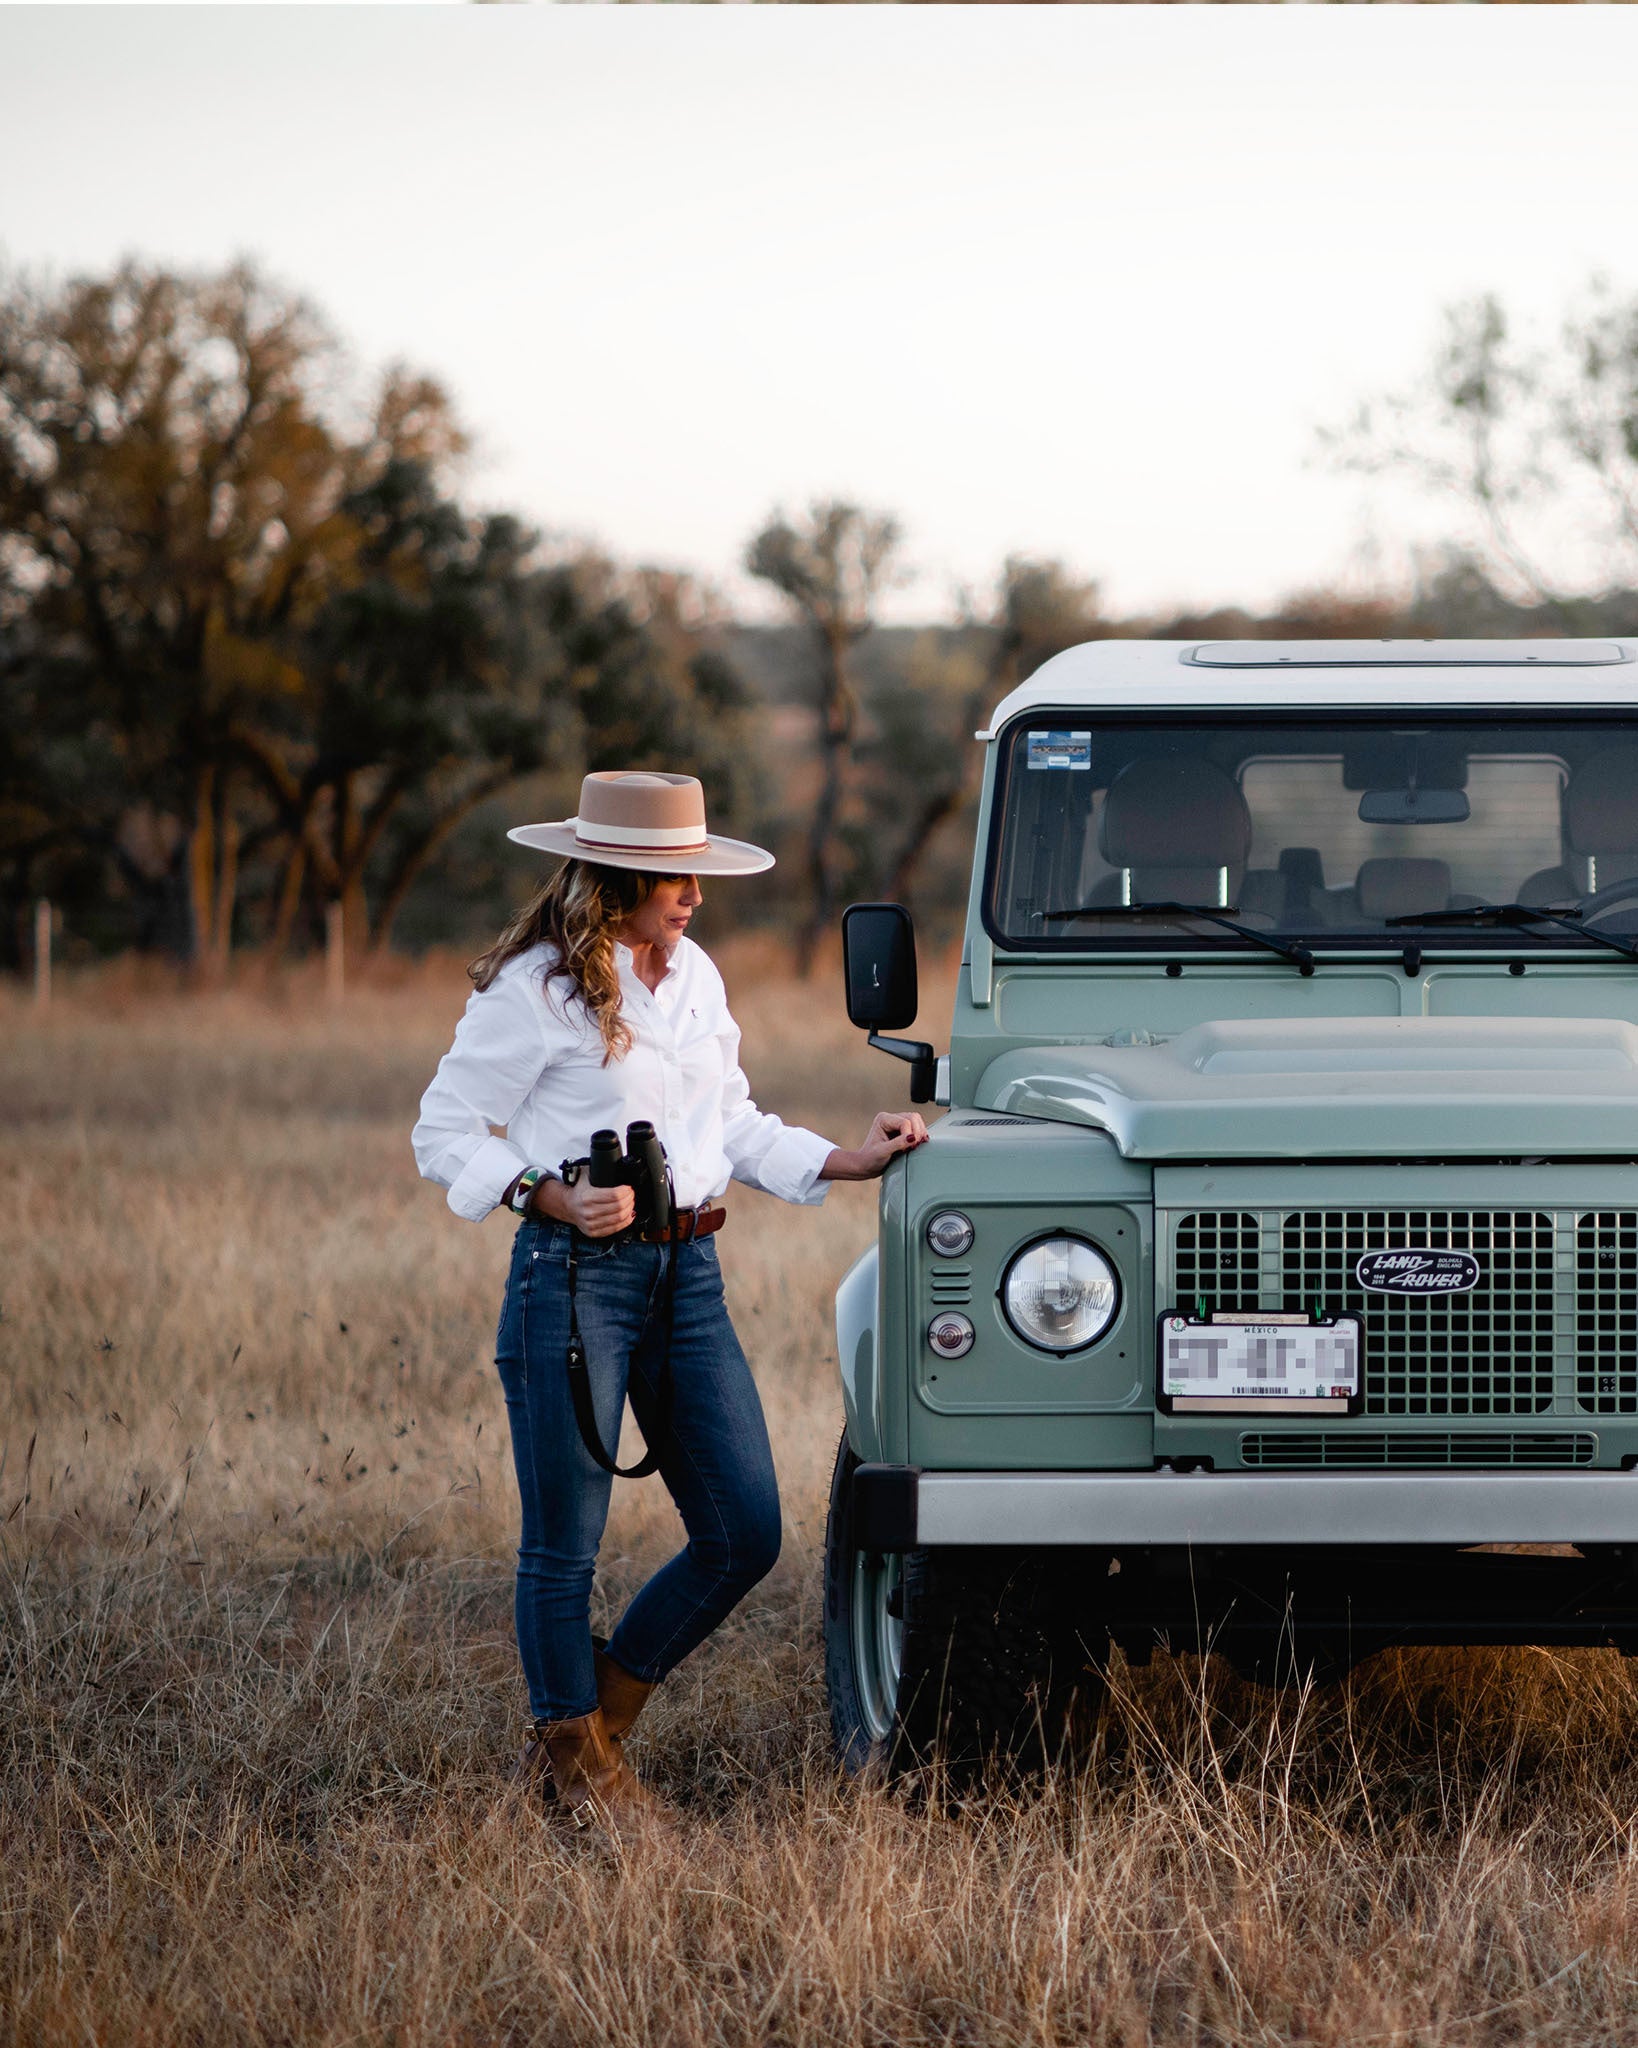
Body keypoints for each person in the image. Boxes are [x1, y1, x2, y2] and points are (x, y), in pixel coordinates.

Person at [412, 770, 927, 1830]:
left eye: (697, 873)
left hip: (688, 1274)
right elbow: (443, 1132)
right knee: (565, 1543)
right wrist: (548, 1193)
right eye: (673, 876)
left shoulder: (693, 975)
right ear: (615, 877)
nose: (693, 893)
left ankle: (585, 1727)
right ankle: (587, 1775)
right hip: (572, 1281)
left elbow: (729, 1123)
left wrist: (847, 1157)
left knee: (745, 1528)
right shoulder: (537, 989)